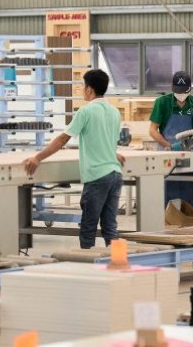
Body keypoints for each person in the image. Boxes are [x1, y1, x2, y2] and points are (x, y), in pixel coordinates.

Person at [23, 69, 125, 250]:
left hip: (97, 176)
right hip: (115, 174)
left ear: (89, 89)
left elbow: (63, 139)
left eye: (83, 87)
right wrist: (111, 153)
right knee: (110, 228)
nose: (82, 90)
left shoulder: (85, 111)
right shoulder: (114, 111)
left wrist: (38, 158)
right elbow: (107, 139)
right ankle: (118, 265)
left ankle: (87, 270)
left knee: (88, 228)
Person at [149, 71, 193, 220]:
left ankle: (190, 221)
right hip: (167, 153)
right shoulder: (162, 102)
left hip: (188, 153)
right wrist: (167, 145)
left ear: (189, 89)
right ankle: (166, 221)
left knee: (189, 190)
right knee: (167, 190)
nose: (181, 95)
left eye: (184, 91)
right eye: (178, 91)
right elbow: (152, 130)